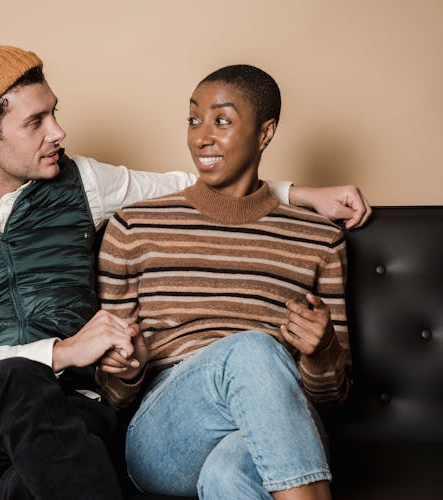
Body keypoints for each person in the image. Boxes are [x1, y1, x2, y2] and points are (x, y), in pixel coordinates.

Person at [0, 46, 367, 500]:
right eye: (36, 122)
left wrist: (300, 195)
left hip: (60, 423)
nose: (59, 132)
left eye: (55, 112)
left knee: (60, 457)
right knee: (18, 382)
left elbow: (190, 187)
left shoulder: (79, 183)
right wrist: (63, 352)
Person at [97, 64, 350, 499]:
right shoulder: (135, 227)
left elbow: (331, 399)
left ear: (265, 132)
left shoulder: (319, 239)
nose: (201, 137)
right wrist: (126, 371)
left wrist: (324, 351)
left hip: (281, 428)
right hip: (166, 433)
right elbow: (111, 394)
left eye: (222, 120)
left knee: (230, 473)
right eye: (194, 119)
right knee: (252, 348)